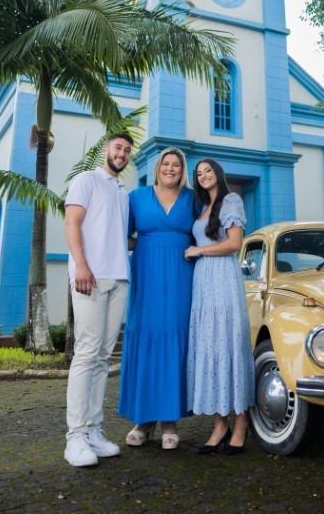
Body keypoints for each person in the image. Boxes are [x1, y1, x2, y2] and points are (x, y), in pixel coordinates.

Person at [64, 131, 134, 468]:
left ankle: (93, 429)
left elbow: (121, 237)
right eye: (117, 147)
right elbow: (72, 223)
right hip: (90, 276)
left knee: (104, 357)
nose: (122, 153)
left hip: (119, 278)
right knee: (87, 353)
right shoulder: (86, 180)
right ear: (106, 149)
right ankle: (75, 436)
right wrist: (80, 265)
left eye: (127, 150)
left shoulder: (123, 192)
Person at [118, 147, 195, 449]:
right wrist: (145, 246)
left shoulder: (193, 198)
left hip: (181, 276)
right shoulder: (136, 197)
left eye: (176, 165)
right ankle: (143, 420)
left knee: (175, 339)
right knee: (145, 338)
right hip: (147, 273)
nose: (171, 169)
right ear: (157, 168)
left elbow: (207, 233)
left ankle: (169, 421)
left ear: (182, 170)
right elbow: (122, 235)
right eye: (166, 163)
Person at [184, 158, 255, 455]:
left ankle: (241, 423)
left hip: (223, 278)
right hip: (203, 283)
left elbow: (234, 243)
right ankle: (219, 425)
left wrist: (199, 250)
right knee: (209, 346)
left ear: (218, 173)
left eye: (208, 170)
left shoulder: (231, 200)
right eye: (199, 173)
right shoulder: (202, 209)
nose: (203, 176)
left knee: (228, 344)